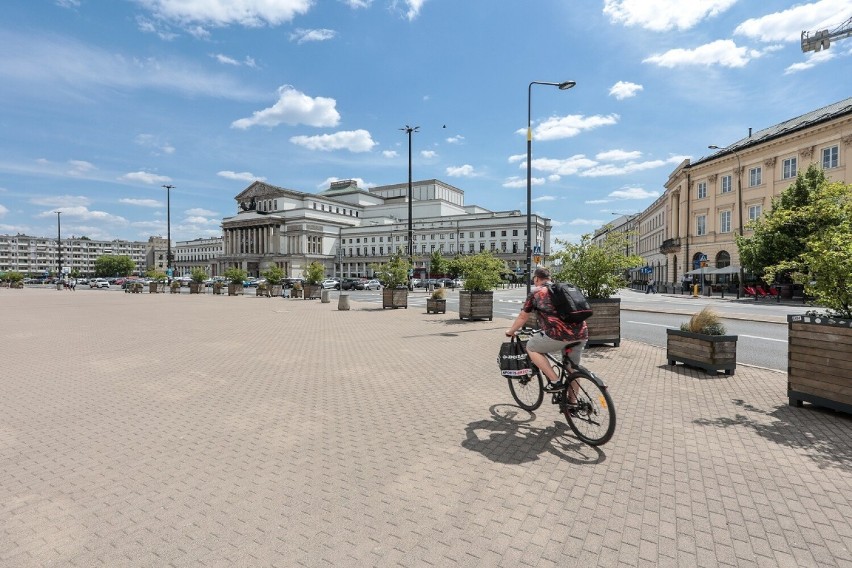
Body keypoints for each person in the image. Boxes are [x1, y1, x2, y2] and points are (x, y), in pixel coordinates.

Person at [505, 267, 588, 393]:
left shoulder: (537, 292)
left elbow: (523, 317)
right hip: (581, 333)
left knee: (531, 347)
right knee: (573, 370)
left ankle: (555, 381)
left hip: (558, 335)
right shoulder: (563, 290)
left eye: (534, 280)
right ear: (550, 278)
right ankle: (573, 405)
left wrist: (511, 331)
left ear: (537, 278)